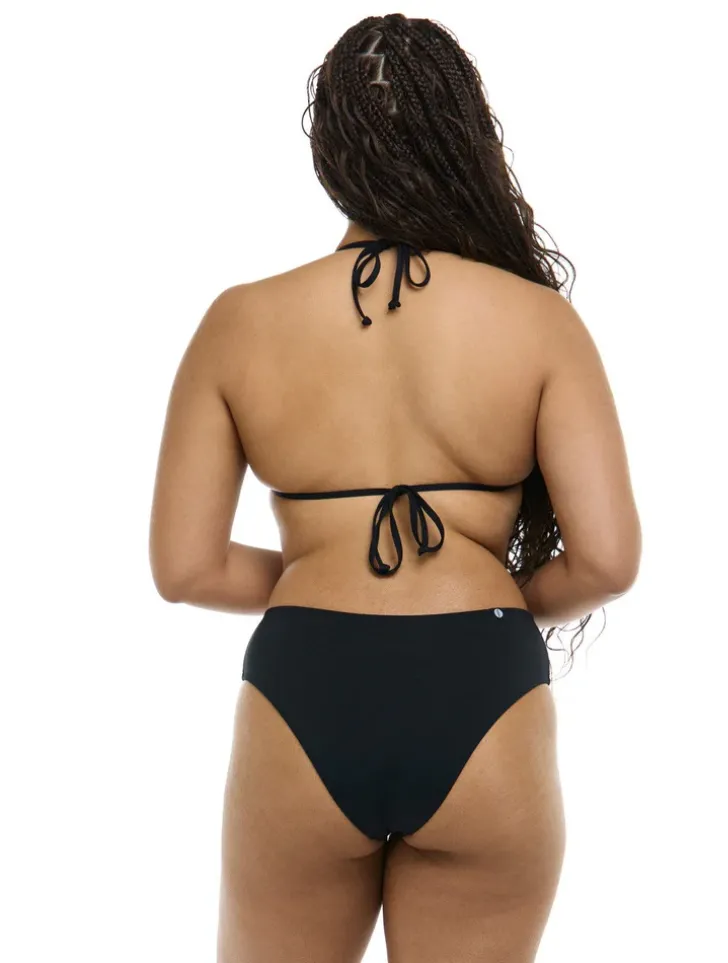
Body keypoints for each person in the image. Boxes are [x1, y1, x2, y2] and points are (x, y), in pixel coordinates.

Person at [149, 13, 641, 963]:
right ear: (466, 135)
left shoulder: (240, 322)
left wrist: (318, 571)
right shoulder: (537, 321)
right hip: (483, 683)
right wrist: (489, 593)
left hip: (305, 682)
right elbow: (608, 559)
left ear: (329, 149)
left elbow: (186, 568)